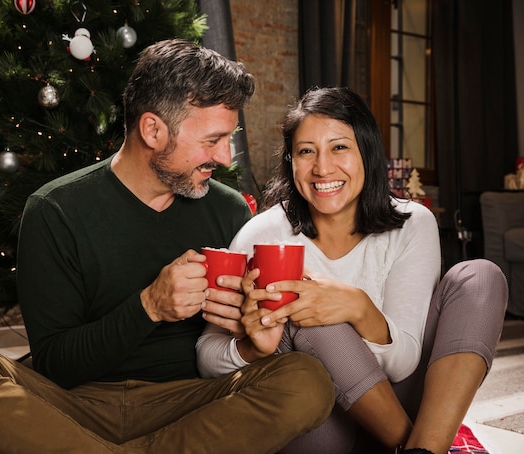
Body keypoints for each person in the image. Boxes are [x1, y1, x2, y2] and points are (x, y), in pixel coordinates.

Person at [0, 40, 335, 453]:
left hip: (193, 406)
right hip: (70, 408)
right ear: (152, 129)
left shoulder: (226, 211)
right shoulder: (56, 209)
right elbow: (56, 364)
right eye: (212, 140)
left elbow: (231, 351)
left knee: (307, 381)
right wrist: (149, 305)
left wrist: (251, 328)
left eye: (228, 138)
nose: (225, 157)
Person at [196, 86, 508, 453]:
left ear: (367, 152)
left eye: (339, 147)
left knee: (481, 277)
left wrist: (357, 307)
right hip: (322, 420)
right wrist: (252, 348)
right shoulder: (263, 234)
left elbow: (404, 361)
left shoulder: (412, 223)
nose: (322, 167)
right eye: (306, 151)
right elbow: (207, 356)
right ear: (291, 162)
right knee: (311, 317)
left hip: (405, 397)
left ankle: (425, 445)